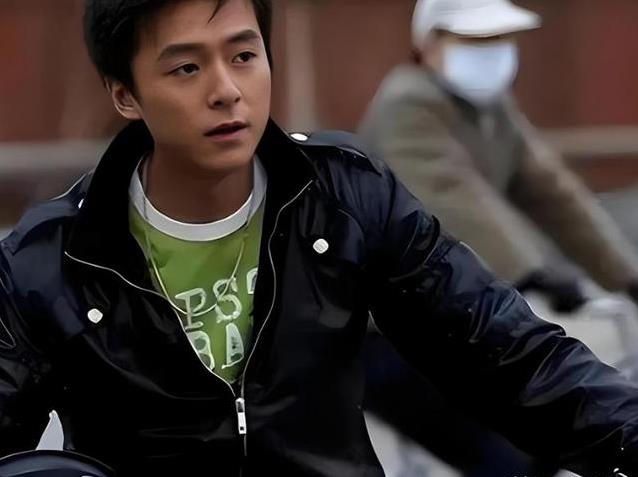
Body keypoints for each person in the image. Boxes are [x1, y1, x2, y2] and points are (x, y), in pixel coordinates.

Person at [2, 0, 638, 475]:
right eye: (187, 67)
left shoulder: (345, 197)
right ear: (125, 94)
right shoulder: (51, 258)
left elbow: (506, 349)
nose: (227, 91)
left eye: (244, 56)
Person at [359, 0, 638, 314]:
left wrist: (625, 276)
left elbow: (551, 192)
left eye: (500, 39)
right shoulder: (408, 103)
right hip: (388, 309)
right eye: (474, 41)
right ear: (429, 43)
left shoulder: (492, 106)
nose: (491, 52)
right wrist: (531, 273)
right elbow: (450, 194)